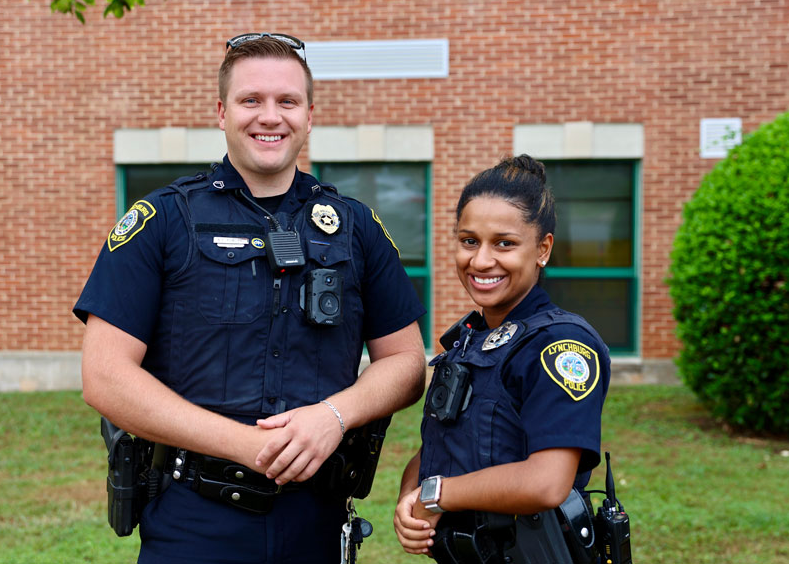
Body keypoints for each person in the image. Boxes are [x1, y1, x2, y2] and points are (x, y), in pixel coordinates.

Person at [74, 33, 426, 564]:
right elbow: (104, 377)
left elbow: (405, 363)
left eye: (287, 101)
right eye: (250, 100)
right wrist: (246, 445)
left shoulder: (356, 228)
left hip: (317, 518)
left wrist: (332, 416)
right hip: (194, 521)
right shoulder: (162, 221)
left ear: (309, 115)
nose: (270, 116)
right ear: (221, 112)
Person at [393, 155, 611, 563]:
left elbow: (546, 483)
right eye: (469, 240)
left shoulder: (560, 345)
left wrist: (437, 495)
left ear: (543, 249)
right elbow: (439, 447)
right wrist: (411, 497)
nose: (480, 261)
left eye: (504, 243)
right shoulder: (469, 341)